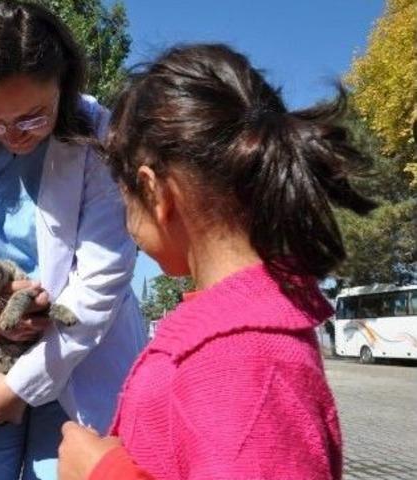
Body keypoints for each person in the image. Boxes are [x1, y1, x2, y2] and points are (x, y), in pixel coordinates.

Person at [57, 44, 377, 480]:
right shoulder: (230, 341)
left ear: (154, 192)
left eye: (123, 192)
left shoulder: (244, 361)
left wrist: (102, 471)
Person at [0, 2, 146, 478]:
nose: (14, 136)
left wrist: (20, 385)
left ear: (64, 83)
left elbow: (104, 274)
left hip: (78, 353)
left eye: (34, 118)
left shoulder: (99, 131)